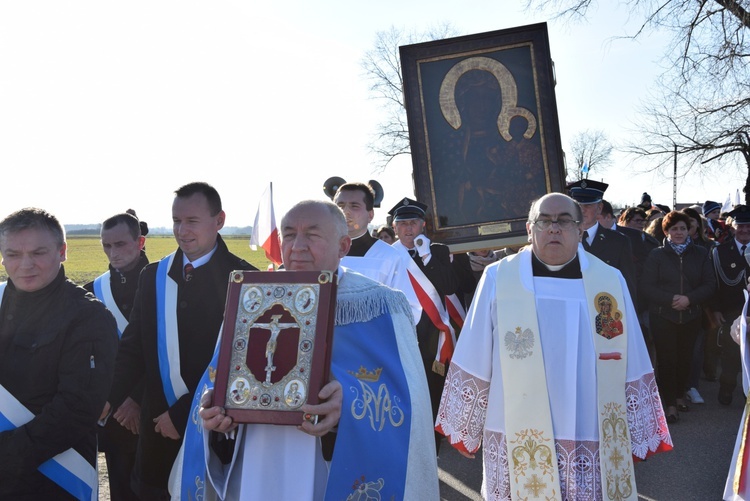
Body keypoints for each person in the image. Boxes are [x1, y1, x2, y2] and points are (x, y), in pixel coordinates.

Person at [177, 200, 438, 500]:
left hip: (328, 465)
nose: (297, 246)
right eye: (288, 235)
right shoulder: (252, 298)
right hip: (255, 462)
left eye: (312, 234)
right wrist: (215, 407)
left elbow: (408, 401)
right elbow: (219, 375)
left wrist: (348, 400)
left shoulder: (380, 304)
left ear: (342, 246)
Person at [435, 193, 672, 500]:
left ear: (580, 228)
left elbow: (632, 353)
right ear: (529, 228)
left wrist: (638, 427)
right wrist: (467, 425)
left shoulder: (609, 282)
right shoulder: (499, 277)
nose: (554, 228)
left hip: (589, 418)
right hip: (513, 421)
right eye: (544, 220)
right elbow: (475, 350)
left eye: (564, 221)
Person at [107, 182, 256, 499]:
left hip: (217, 436)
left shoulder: (246, 280)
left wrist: (182, 415)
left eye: (192, 221)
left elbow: (243, 366)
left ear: (219, 221)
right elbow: (132, 349)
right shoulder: (153, 277)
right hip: (157, 439)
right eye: (176, 221)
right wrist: (108, 397)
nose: (182, 230)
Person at [0, 208, 119, 499]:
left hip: (54, 480)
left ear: (62, 251)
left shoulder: (89, 316)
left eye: (38, 252)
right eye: (12, 254)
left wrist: (7, 455)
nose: (25, 264)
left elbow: (77, 408)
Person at [84, 212, 149, 501]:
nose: (113, 253)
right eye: (106, 246)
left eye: (121, 244)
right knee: (121, 490)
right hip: (114, 413)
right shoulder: (93, 292)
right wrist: (118, 399)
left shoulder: (165, 283)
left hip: (156, 409)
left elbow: (172, 352)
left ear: (140, 242)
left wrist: (136, 398)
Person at [389, 196, 458, 452]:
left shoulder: (438, 251)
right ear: (394, 227)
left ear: (423, 225)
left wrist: (427, 256)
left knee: (432, 387)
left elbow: (449, 287)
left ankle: (432, 446)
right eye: (403, 223)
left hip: (431, 332)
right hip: (401, 331)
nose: (408, 229)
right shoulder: (388, 254)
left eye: (414, 223)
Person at [641, 211, 716, 423]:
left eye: (683, 228)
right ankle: (670, 404)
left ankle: (680, 395)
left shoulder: (701, 253)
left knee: (686, 359)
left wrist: (689, 299)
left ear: (690, 230)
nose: (679, 233)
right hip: (663, 316)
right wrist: (671, 298)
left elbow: (709, 284)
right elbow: (647, 286)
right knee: (666, 360)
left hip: (691, 315)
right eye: (674, 229)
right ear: (666, 231)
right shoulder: (656, 254)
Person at [333, 182, 421, 323]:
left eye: (354, 206)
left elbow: (409, 309)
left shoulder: (389, 256)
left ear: (370, 215)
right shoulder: (319, 252)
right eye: (340, 205)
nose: (345, 212)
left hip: (372, 341)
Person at [567, 180, 638, 306]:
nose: (582, 210)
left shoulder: (619, 242)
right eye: (578, 205)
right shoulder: (562, 239)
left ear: (599, 208)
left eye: (587, 205)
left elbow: (628, 286)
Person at [709, 205, 750, 405]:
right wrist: (715, 309)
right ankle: (727, 390)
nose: (745, 231)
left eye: (749, 227)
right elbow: (714, 283)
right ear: (733, 227)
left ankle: (747, 395)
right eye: (741, 226)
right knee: (730, 356)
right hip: (730, 311)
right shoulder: (720, 252)